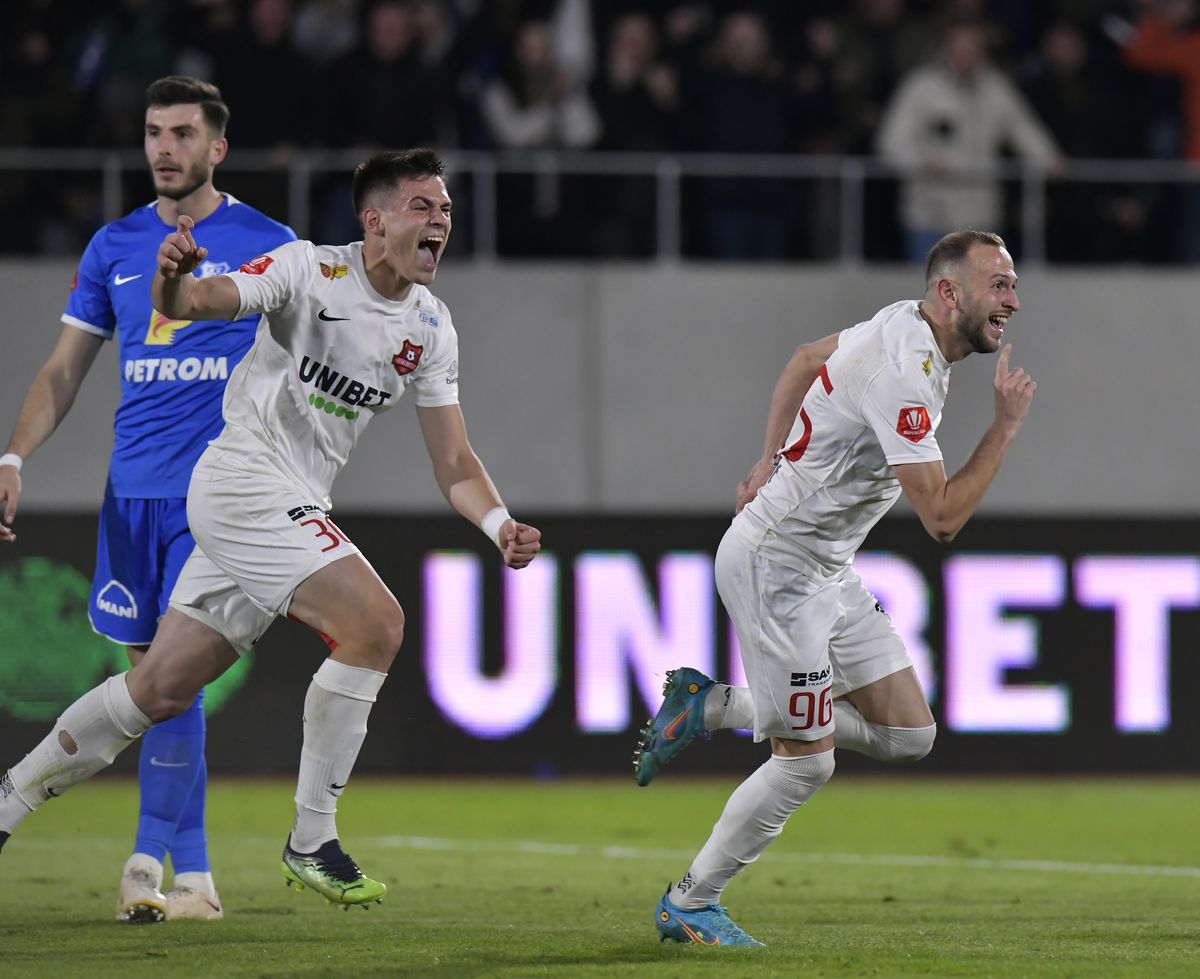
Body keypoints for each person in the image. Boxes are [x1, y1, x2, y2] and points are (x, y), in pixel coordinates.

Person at [0, 148, 543, 911]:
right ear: (375, 220)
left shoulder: (430, 327)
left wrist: (497, 521)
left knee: (157, 687)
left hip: (290, 503)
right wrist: (172, 278)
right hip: (241, 484)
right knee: (377, 624)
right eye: (423, 207)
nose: (440, 221)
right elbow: (195, 302)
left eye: (446, 210)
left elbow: (453, 460)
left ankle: (8, 799)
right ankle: (312, 837)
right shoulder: (305, 270)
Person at [633, 229, 1035, 946]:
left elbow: (804, 359)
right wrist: (1004, 429)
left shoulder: (900, 323)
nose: (1012, 298)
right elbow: (941, 517)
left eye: (1011, 283)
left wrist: (767, 459)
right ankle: (692, 900)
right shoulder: (903, 373)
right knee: (807, 760)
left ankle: (717, 706)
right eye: (999, 284)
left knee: (910, 733)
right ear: (950, 293)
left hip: (825, 566)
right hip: (775, 566)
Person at [0, 76, 295, 924]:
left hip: (217, 501)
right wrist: (15, 452)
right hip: (130, 499)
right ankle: (194, 876)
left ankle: (142, 865)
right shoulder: (112, 247)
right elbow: (63, 371)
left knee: (171, 678)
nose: (164, 148)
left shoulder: (269, 243)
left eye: (181, 134)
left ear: (217, 149)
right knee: (154, 686)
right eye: (153, 133)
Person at [877, 22, 1062, 261]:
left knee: (982, 295)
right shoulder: (920, 87)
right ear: (945, 50)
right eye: (959, 51)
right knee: (932, 293)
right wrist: (922, 163)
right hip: (930, 215)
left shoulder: (995, 87)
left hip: (982, 216)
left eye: (973, 51)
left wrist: (1048, 158)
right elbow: (891, 142)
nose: (966, 58)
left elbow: (1022, 126)